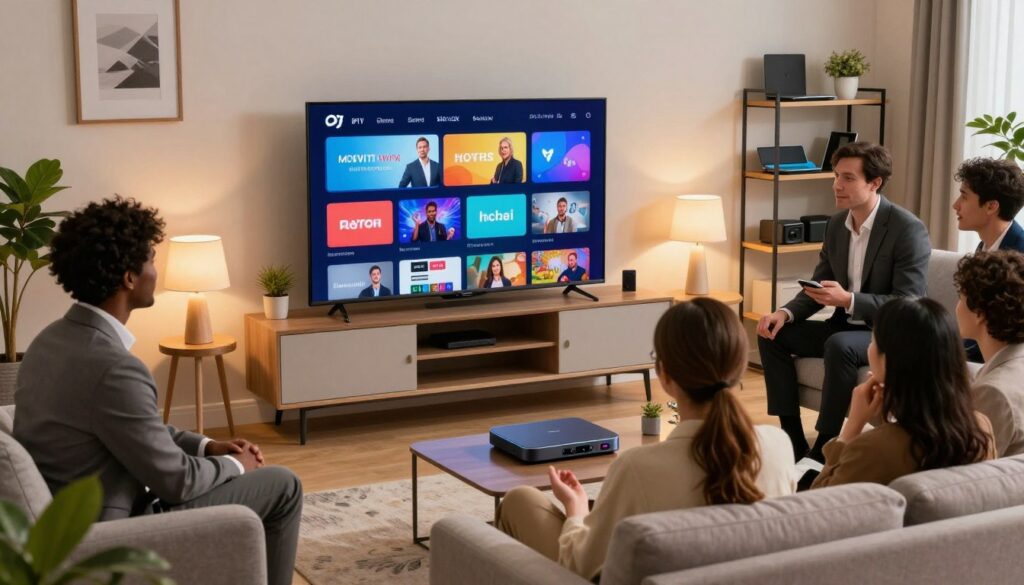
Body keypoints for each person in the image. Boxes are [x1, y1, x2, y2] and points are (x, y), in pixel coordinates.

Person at [13, 197, 302, 585]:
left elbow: (130, 428)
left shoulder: (48, 341)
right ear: (129, 278)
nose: (156, 269)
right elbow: (177, 482)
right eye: (151, 259)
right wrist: (237, 465)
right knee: (283, 486)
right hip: (114, 534)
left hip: (71, 520)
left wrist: (207, 446)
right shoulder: (114, 368)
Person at [496, 299, 794, 581]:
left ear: (664, 374)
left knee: (520, 500)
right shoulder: (778, 446)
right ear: (740, 368)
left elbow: (578, 566)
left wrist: (577, 512)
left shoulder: (637, 468)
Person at [756, 142, 931, 472]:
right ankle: (792, 438)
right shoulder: (837, 225)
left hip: (886, 333)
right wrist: (784, 313)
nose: (837, 184)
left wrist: (849, 300)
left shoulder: (906, 229)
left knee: (839, 345)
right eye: (836, 176)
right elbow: (819, 285)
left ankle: (824, 447)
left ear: (875, 182)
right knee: (771, 334)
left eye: (848, 178)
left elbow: (908, 302)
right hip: (842, 328)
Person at [811, 297, 995, 488]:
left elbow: (821, 499)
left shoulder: (873, 449)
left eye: (873, 341)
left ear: (887, 361)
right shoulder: (981, 427)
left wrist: (852, 428)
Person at [954, 251, 1024, 456]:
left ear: (979, 314)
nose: (956, 307)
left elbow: (960, 467)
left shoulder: (993, 393)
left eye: (960, 298)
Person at [952, 157, 1024, 253]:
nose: (955, 205)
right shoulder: (985, 246)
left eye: (964, 197)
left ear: (991, 207)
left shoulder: (1020, 254)